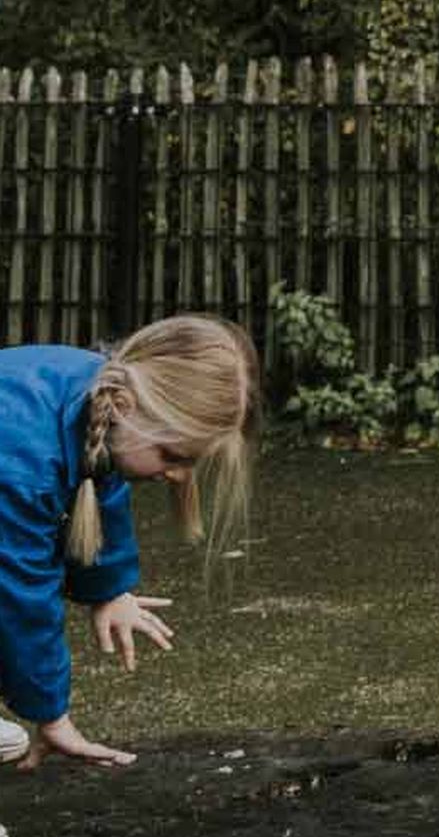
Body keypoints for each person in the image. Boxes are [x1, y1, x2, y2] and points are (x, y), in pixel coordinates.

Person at [1, 316, 259, 770]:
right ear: (123, 407)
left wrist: (109, 590)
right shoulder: (21, 461)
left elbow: (100, 485)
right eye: (174, 456)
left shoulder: (99, 394)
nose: (179, 475)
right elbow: (19, 596)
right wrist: (52, 713)